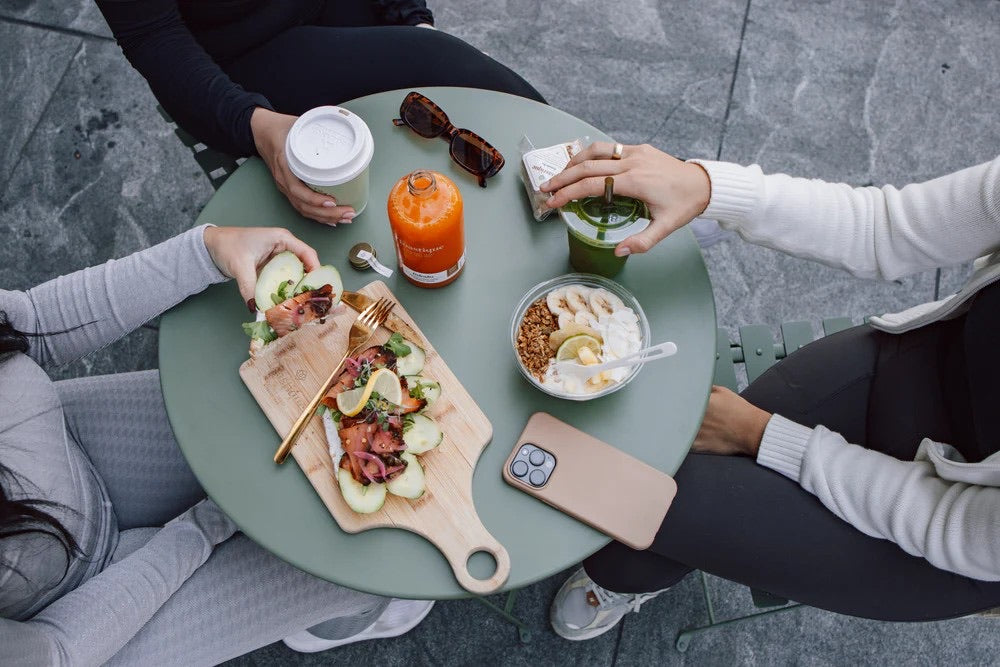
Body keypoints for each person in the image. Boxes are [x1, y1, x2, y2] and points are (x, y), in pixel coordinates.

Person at [539, 142, 1000, 639]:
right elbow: (887, 225)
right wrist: (708, 187)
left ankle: (618, 581)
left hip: (945, 543)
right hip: (925, 367)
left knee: (653, 497)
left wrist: (761, 435)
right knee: (667, 453)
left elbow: (947, 523)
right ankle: (637, 571)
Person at [0, 225, 433, 664]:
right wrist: (209, 522)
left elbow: (30, 321)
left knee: (264, 403)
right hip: (77, 632)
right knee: (363, 569)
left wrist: (207, 249)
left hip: (67, 443)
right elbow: (55, 652)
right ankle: (336, 624)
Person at [96, 0, 546, 226]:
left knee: (451, 93)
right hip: (247, 51)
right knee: (456, 71)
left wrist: (411, 18)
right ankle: (563, 172)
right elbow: (154, 38)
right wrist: (253, 122)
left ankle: (565, 177)